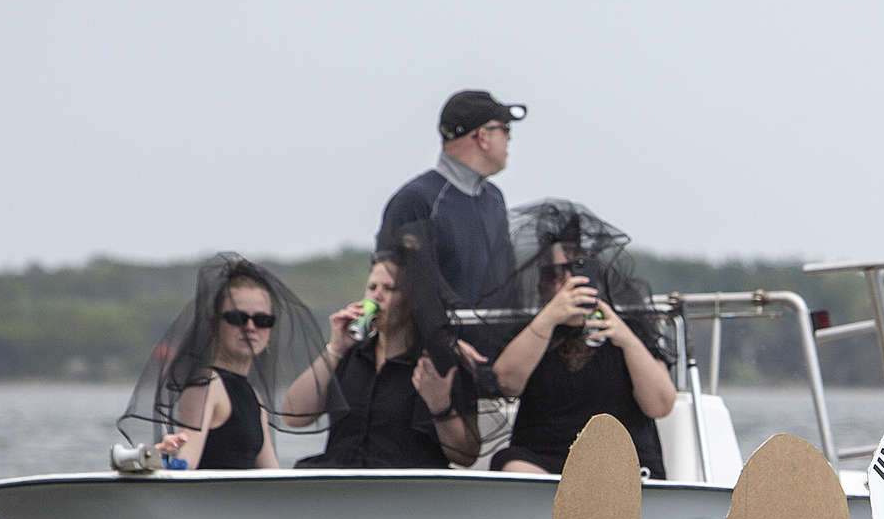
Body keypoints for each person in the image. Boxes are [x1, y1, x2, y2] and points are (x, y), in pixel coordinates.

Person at [489, 201, 677, 477]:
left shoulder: (630, 328)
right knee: (513, 466)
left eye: (576, 271)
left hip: (622, 462)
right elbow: (506, 383)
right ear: (540, 284)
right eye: (553, 274)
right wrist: (549, 318)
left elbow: (660, 404)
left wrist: (623, 336)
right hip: (544, 458)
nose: (566, 282)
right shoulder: (530, 332)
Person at [281, 225, 479, 468]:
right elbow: (293, 416)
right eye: (372, 287)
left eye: (389, 289)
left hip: (402, 489)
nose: (377, 296)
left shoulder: (439, 362)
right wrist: (335, 348)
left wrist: (440, 406)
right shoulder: (351, 353)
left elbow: (466, 455)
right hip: (340, 482)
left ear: (412, 299)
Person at [124, 255, 338, 471]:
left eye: (263, 321)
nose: (251, 327)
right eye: (238, 318)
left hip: (246, 503)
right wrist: (162, 458)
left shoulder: (254, 395)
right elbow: (187, 463)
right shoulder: (206, 384)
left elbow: (271, 474)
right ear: (214, 324)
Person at [376, 90, 524, 309]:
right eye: (505, 129)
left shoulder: (493, 198)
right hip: (434, 344)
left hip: (494, 343)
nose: (509, 137)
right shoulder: (415, 201)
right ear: (483, 137)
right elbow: (389, 287)